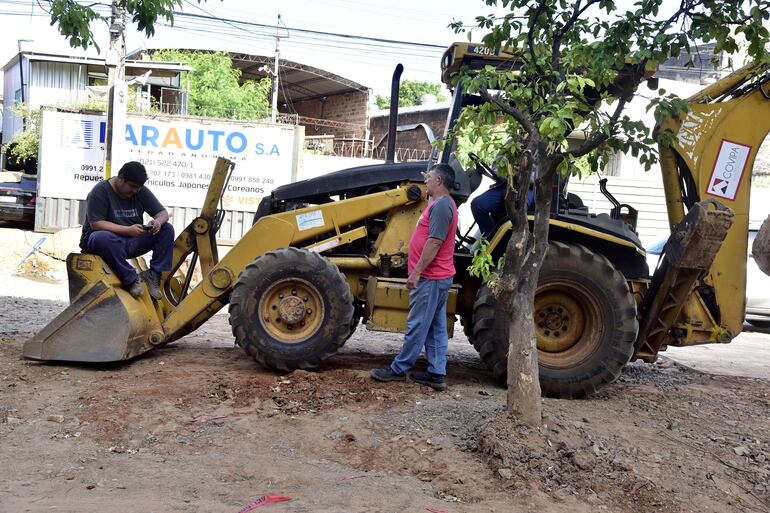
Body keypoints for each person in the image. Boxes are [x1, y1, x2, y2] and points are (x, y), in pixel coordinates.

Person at [370, 163, 458, 391]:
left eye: (429, 179)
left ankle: (399, 369)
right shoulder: (440, 203)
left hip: (430, 277)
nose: (425, 181)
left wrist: (417, 271)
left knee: (418, 325)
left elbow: (435, 242)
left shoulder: (441, 207)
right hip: (438, 277)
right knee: (436, 327)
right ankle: (437, 373)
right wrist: (429, 188)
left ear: (439, 182)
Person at [79, 161, 173, 299]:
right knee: (101, 237)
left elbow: (163, 213)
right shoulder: (100, 191)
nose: (135, 191)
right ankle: (131, 279)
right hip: (104, 243)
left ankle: (153, 275)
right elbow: (96, 224)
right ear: (121, 178)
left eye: (138, 188)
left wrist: (158, 222)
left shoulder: (140, 191)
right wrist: (128, 230)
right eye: (132, 186)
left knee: (167, 229)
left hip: (130, 241)